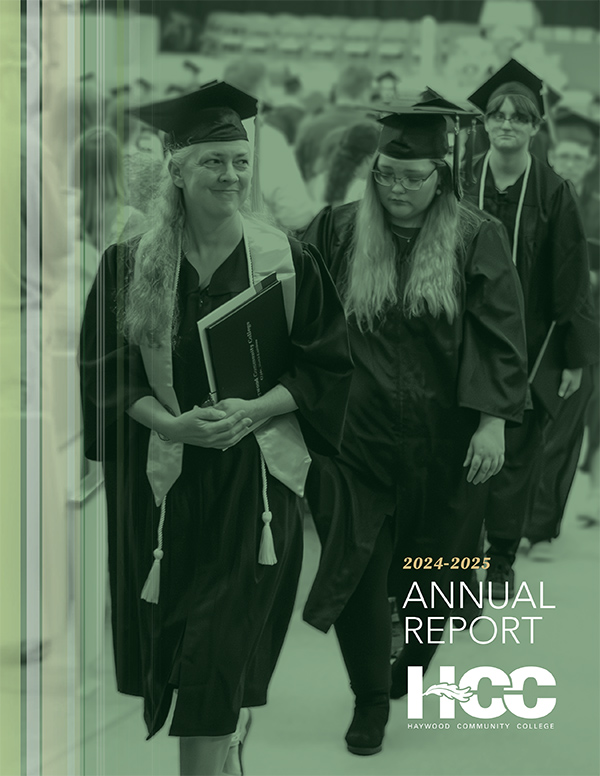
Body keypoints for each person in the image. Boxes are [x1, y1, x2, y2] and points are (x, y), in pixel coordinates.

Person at [79, 81, 352, 776]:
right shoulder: (131, 264)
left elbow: (328, 370)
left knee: (216, 647)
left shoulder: (285, 261)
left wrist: (253, 411)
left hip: (252, 485)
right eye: (213, 161)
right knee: (178, 641)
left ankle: (210, 755)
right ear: (175, 167)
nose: (230, 175)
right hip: (163, 489)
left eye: (239, 160)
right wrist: (173, 423)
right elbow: (108, 377)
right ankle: (225, 741)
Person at [300, 106, 528, 757]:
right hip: (355, 436)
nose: (397, 190)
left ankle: (416, 653)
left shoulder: (474, 236)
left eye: (412, 177)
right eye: (386, 175)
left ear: (441, 175)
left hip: (445, 436)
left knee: (436, 563)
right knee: (358, 568)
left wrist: (492, 422)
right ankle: (369, 700)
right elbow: (291, 302)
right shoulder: (338, 229)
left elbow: (500, 337)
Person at [464, 60, 599, 593]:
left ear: (535, 127)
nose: (507, 124)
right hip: (463, 337)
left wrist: (574, 355)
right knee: (459, 455)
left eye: (520, 117)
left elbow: (571, 278)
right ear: (485, 121)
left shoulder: (553, 190)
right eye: (497, 115)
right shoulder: (460, 178)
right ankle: (456, 556)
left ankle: (500, 556)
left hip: (531, 341)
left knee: (516, 457)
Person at [523, 107, 599, 555]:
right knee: (531, 430)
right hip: (538, 329)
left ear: (589, 162)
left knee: (566, 431)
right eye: (563, 154)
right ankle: (516, 516)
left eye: (578, 156)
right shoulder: (542, 198)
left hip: (585, 332)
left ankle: (542, 525)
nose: (569, 162)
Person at [295, 64, 376, 183]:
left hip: (316, 198)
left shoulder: (309, 126)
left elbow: (297, 174)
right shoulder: (379, 129)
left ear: (337, 89)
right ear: (367, 90)